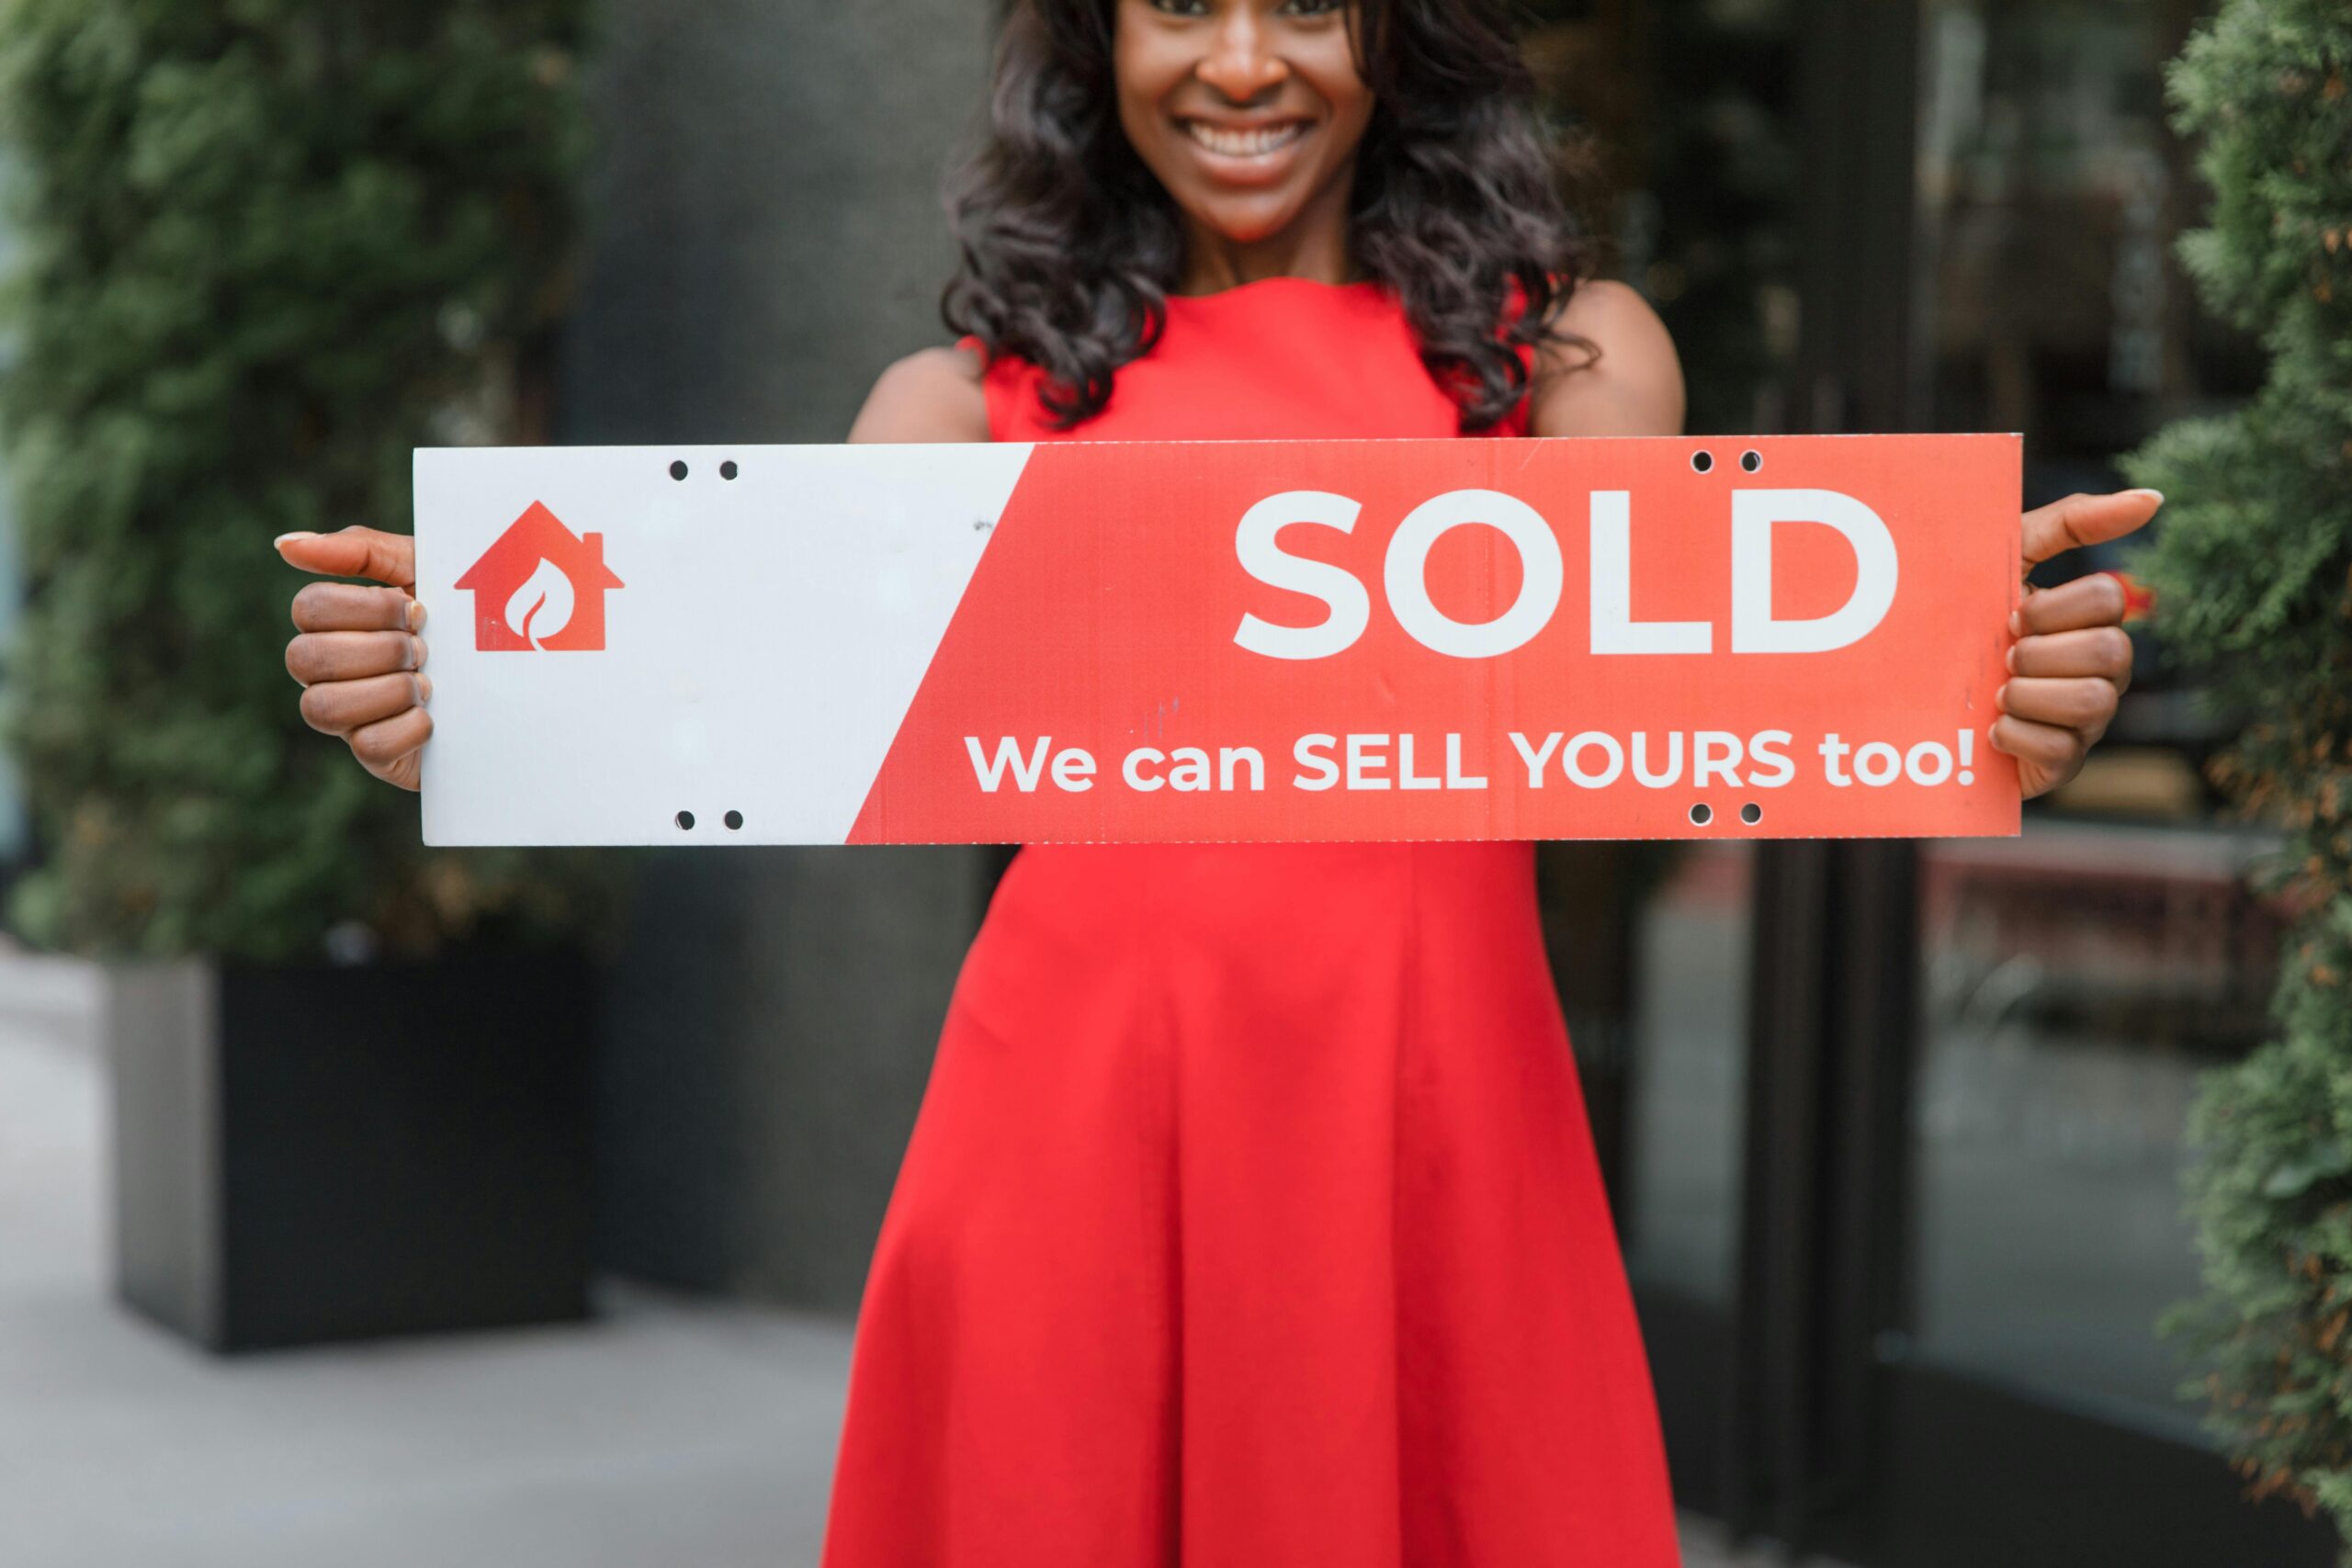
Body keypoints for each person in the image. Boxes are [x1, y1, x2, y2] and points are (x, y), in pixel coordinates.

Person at [277, 0, 2157, 1561]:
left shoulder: (1569, 371)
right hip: (1071, 1144)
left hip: (1430, 1127)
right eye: (1179, 0)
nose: (1242, 62)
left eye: (1304, 2)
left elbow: (1688, 723)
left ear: (1394, 33)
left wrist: (1971, 689)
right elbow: (724, 686)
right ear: (1089, 39)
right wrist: (477, 695)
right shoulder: (956, 407)